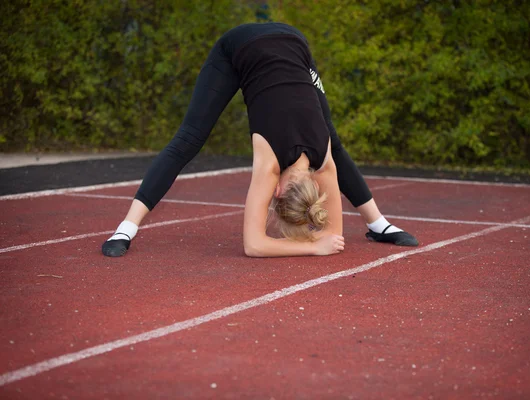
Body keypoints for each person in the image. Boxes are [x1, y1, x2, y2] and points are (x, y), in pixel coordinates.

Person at [101, 22, 418, 258]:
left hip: (295, 43)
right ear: (277, 190)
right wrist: (311, 247)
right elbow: (253, 246)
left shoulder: (323, 166)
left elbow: (332, 236)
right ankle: (125, 229)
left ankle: (378, 225)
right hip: (239, 46)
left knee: (332, 136)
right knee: (189, 139)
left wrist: (313, 242)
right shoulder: (271, 165)